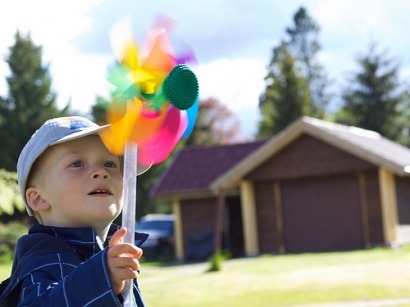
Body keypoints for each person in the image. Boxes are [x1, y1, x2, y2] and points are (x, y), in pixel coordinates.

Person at [0, 116, 148, 306]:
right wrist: (98, 278)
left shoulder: (109, 257)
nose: (101, 172)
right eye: (77, 164)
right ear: (38, 198)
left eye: (109, 164)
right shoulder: (44, 261)